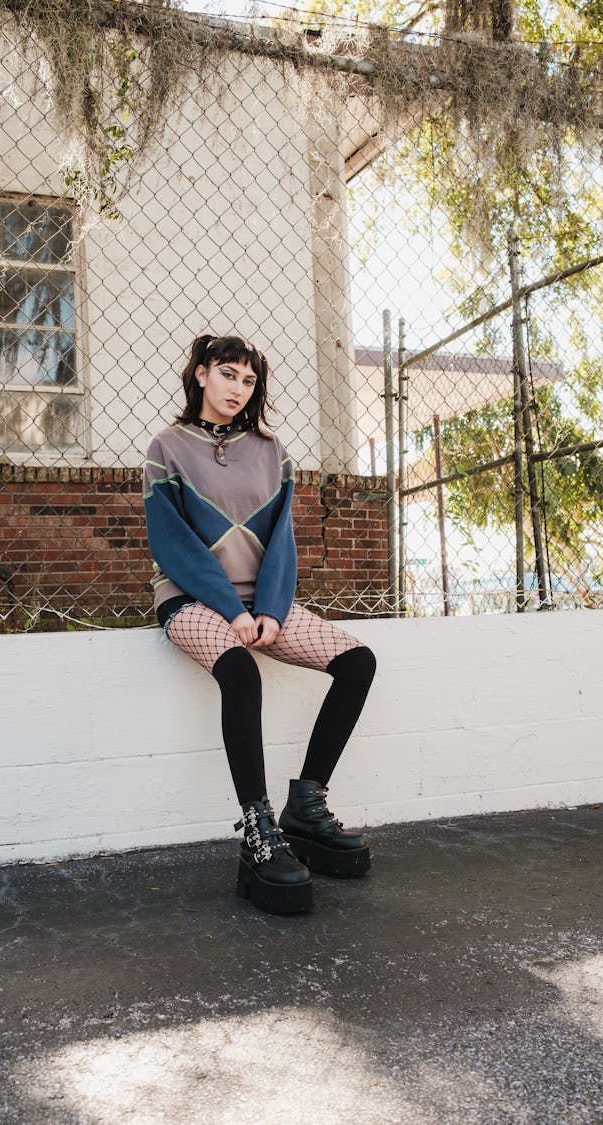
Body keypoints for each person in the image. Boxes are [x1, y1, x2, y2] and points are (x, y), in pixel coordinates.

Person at [143, 334, 376, 915]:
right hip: (191, 601)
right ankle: (257, 830)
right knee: (242, 674)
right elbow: (174, 546)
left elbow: (282, 544)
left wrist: (269, 610)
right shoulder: (166, 448)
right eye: (227, 375)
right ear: (200, 375)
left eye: (248, 381)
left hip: (263, 606)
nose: (237, 389)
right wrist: (234, 611)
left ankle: (308, 807)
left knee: (357, 662)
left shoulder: (273, 451)